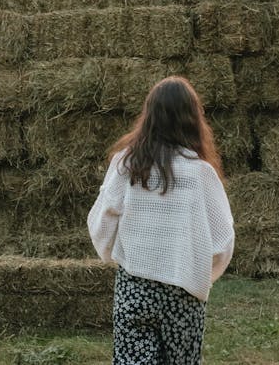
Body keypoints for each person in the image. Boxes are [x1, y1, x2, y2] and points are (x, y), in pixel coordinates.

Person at [87, 75, 234, 365]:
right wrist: (203, 274)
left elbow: (103, 218)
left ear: (149, 116)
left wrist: (111, 254)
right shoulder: (200, 173)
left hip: (135, 286)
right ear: (192, 119)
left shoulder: (126, 164)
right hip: (183, 293)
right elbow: (223, 238)